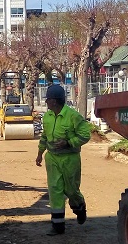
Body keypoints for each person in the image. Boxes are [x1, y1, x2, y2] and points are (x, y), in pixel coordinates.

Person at [35, 84, 90, 235]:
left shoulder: (73, 116)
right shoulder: (47, 117)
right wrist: (40, 153)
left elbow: (85, 135)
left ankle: (79, 207)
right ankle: (58, 226)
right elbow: (44, 137)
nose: (46, 102)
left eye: (47, 99)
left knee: (71, 190)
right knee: (55, 190)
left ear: (54, 101)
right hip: (52, 158)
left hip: (70, 159)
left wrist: (68, 142)